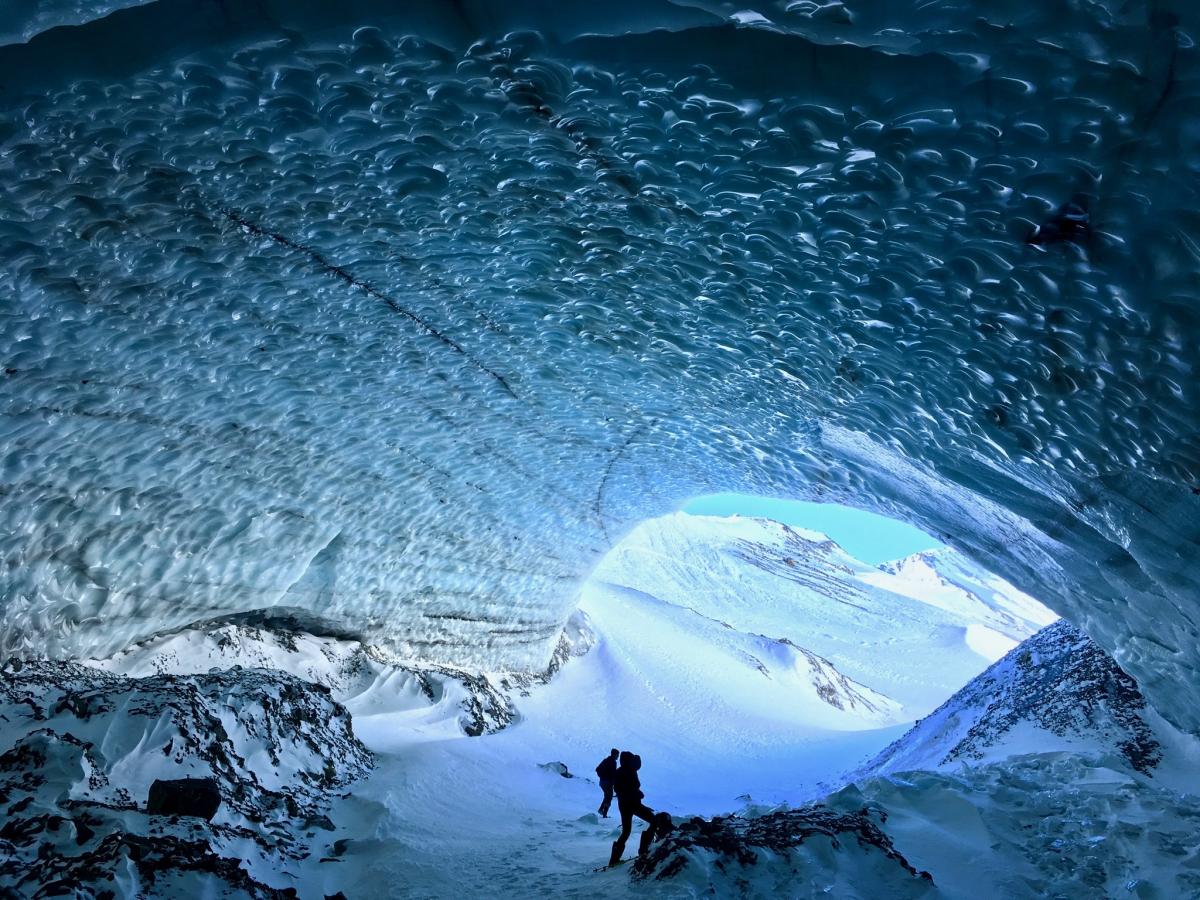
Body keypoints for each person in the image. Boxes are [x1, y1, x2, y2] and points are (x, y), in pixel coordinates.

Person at [608, 750, 659, 866]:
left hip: (624, 805)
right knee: (654, 821)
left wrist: (636, 793)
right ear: (628, 761)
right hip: (633, 805)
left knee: (626, 831)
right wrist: (638, 794)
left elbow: (622, 789)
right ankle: (644, 850)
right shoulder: (629, 771)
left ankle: (614, 860)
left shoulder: (620, 771)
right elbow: (630, 788)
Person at [595, 748, 619, 817]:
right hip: (608, 783)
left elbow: (597, 769)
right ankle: (604, 813)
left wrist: (602, 776)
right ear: (614, 755)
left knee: (607, 797)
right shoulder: (613, 762)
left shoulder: (605, 760)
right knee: (609, 797)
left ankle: (602, 811)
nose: (618, 756)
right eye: (617, 755)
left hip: (602, 782)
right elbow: (613, 774)